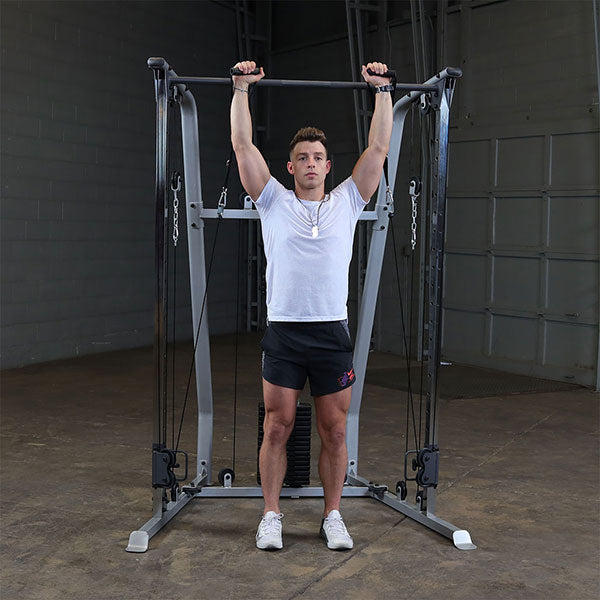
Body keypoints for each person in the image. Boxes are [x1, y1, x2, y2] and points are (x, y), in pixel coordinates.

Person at [230, 60, 393, 551]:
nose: (310, 163)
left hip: (330, 333)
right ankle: (271, 515)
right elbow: (243, 146)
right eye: (301, 157)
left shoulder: (348, 201)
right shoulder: (272, 201)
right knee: (277, 426)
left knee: (335, 431)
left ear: (327, 166)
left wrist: (382, 91)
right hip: (284, 331)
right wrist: (241, 89)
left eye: (317, 157)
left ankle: (333, 516)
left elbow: (379, 148)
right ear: (290, 167)